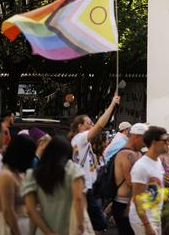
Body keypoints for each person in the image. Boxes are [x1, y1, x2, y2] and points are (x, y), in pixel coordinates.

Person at [68, 92, 121, 234]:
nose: (92, 125)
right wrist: (112, 104)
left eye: (91, 122)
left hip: (90, 189)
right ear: (79, 126)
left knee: (92, 224)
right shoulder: (80, 138)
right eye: (88, 123)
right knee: (99, 223)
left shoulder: (84, 143)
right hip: (85, 190)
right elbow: (100, 125)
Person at [22, 136, 90, 234]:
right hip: (69, 229)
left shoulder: (33, 175)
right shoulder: (74, 170)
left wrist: (49, 233)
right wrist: (80, 224)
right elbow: (78, 199)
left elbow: (30, 210)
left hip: (42, 231)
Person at [0, 134, 37, 235]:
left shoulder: (17, 173)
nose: (32, 159)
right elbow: (8, 210)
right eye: (30, 155)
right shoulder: (6, 175)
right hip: (9, 229)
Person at [129, 126, 169, 235]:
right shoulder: (141, 166)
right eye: (164, 141)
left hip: (154, 216)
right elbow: (137, 200)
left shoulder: (157, 161)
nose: (168, 143)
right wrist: (147, 225)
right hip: (143, 220)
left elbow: (153, 186)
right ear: (154, 142)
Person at [113, 123, 149, 235]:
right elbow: (131, 182)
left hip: (134, 203)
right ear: (136, 137)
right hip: (123, 205)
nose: (145, 144)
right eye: (144, 140)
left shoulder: (138, 153)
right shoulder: (125, 154)